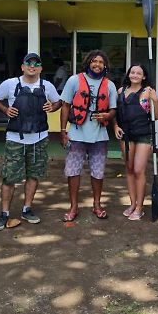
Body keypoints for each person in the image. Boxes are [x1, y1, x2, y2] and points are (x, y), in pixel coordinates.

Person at [0, 53, 61, 231]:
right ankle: (4, 213)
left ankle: (26, 208)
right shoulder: (10, 84)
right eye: (28, 63)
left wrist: (53, 107)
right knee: (9, 177)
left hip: (39, 138)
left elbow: (59, 101)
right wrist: (5, 110)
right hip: (15, 138)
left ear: (41, 68)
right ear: (22, 66)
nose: (32, 66)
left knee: (34, 175)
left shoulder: (47, 86)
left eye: (36, 63)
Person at [60, 50, 117, 221]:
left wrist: (108, 116)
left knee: (98, 172)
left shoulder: (110, 85)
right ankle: (73, 206)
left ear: (105, 65)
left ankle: (97, 204)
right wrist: (63, 132)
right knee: (72, 171)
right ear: (88, 63)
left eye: (100, 62)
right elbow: (65, 106)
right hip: (77, 134)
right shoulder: (74, 80)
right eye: (94, 61)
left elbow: (113, 109)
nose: (97, 64)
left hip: (99, 136)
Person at [114, 63, 158, 221]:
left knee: (138, 170)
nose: (134, 75)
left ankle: (140, 207)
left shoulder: (147, 92)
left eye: (138, 73)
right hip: (126, 136)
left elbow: (156, 117)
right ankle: (133, 203)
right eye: (132, 72)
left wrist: (155, 100)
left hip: (143, 135)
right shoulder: (120, 91)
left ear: (144, 76)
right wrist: (115, 126)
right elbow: (116, 113)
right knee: (129, 170)